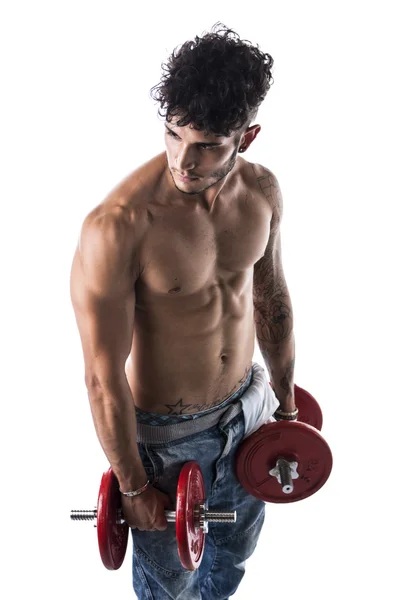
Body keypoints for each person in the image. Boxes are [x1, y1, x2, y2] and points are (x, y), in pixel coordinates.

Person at [70, 22, 297, 600]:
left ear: (246, 138)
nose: (183, 159)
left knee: (232, 560)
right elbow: (101, 375)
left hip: (249, 412)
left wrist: (286, 406)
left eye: (206, 145)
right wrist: (132, 483)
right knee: (170, 588)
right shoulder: (119, 226)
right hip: (169, 446)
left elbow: (270, 299)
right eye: (173, 134)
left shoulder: (264, 193)